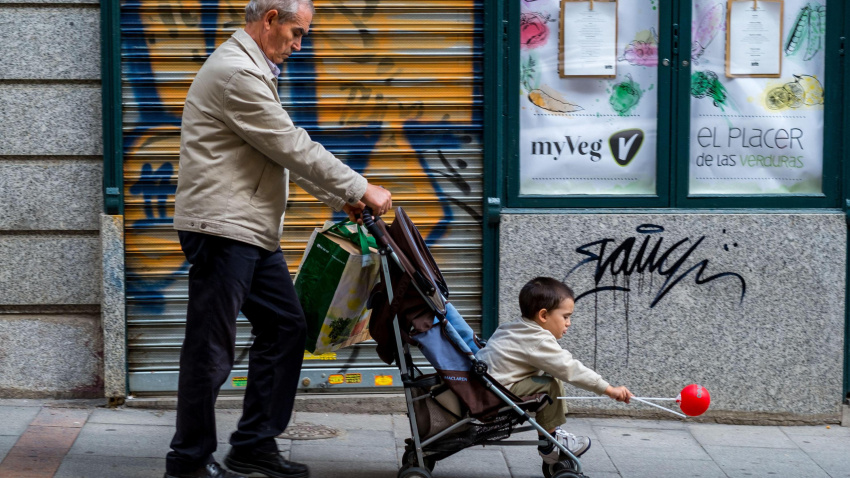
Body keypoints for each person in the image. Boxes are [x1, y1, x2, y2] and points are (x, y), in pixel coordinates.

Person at [164, 1, 392, 477]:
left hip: (248, 229)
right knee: (210, 348)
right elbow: (290, 143)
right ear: (269, 19)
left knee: (286, 328)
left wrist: (337, 198)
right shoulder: (236, 74)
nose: (298, 43)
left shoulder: (250, 68)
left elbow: (274, 150)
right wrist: (359, 187)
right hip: (222, 228)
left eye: (303, 34)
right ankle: (187, 461)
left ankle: (253, 445)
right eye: (296, 31)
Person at [475, 277, 632, 465]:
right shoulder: (538, 339)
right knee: (549, 385)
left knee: (550, 375)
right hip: (497, 394)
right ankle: (550, 443)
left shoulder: (513, 326)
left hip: (485, 387)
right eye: (565, 316)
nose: (569, 323)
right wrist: (608, 389)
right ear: (543, 316)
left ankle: (553, 431)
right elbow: (570, 369)